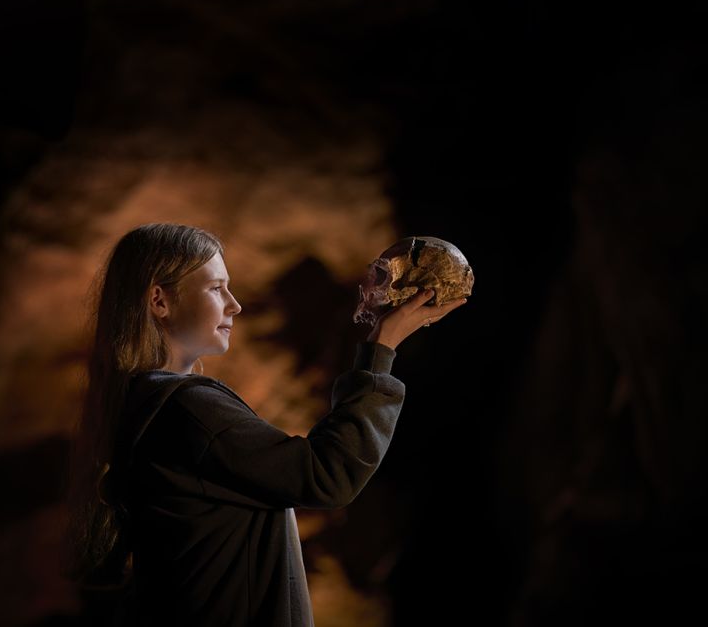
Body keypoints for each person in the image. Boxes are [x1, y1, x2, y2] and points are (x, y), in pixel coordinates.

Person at [61, 222, 467, 626]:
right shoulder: (186, 409)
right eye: (217, 288)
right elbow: (326, 474)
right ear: (159, 301)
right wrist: (382, 350)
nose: (234, 304)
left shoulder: (141, 404)